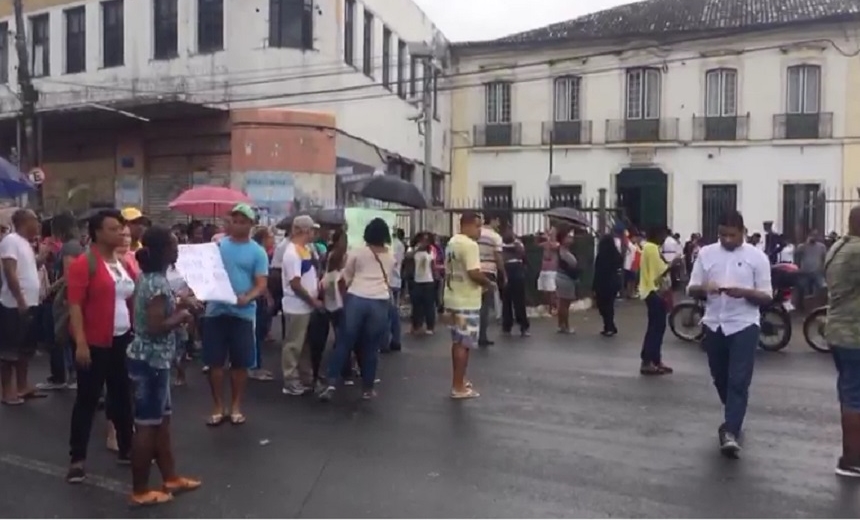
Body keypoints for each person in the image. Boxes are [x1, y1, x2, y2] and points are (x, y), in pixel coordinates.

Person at [127, 226, 201, 506]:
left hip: (156, 360)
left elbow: (154, 311)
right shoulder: (156, 282)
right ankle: (140, 490)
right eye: (172, 244)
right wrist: (182, 315)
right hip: (151, 361)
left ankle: (170, 477)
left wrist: (180, 303)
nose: (177, 248)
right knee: (147, 425)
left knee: (162, 422)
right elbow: (157, 325)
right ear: (161, 250)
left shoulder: (153, 278)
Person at [688, 211, 771, 458]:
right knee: (720, 377)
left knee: (738, 380)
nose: (726, 239)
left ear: (742, 232)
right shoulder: (706, 254)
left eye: (731, 235)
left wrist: (744, 292)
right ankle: (734, 413)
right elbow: (691, 288)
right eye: (722, 234)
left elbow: (767, 295)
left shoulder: (757, 258)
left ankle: (730, 430)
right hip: (714, 324)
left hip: (744, 325)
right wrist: (705, 288)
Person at [66, 208, 136, 483]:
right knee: (87, 399)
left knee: (121, 397)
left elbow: (131, 296)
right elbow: (75, 305)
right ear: (97, 233)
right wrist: (81, 342)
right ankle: (77, 459)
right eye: (113, 228)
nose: (119, 233)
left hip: (121, 340)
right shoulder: (85, 264)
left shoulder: (122, 263)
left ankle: (126, 448)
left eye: (120, 228)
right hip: (95, 342)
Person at [202, 203, 268, 426]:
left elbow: (261, 284)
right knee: (215, 363)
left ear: (251, 224)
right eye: (235, 220)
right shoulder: (218, 246)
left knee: (240, 364)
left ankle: (236, 405)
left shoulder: (257, 252)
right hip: (215, 311)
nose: (238, 225)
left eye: (243, 221)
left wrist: (247, 297)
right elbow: (205, 273)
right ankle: (217, 406)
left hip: (242, 314)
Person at [319, 218, 394, 401]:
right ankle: (367, 387)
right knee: (370, 346)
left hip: (357, 298)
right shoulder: (390, 257)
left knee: (345, 342)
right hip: (379, 301)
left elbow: (346, 277)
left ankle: (331, 383)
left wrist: (346, 297)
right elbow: (389, 280)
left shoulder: (357, 252)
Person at [824, 206, 860, 476]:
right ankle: (852, 459)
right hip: (853, 334)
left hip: (839, 330)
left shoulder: (840, 246)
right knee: (854, 397)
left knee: (851, 394)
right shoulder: (857, 252)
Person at [0, 209, 46, 405]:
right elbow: (10, 271)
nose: (38, 225)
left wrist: (42, 257)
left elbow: (27, 269)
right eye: (36, 220)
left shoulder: (26, 243)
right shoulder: (10, 240)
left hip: (32, 302)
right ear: (26, 221)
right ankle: (7, 391)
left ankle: (22, 385)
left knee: (26, 349)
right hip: (14, 304)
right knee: (9, 351)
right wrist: (19, 299)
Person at [445, 212, 492, 399]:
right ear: (467, 225)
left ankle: (460, 379)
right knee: (464, 344)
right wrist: (488, 283)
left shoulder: (452, 243)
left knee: (457, 341)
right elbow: (474, 272)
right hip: (466, 301)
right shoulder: (470, 245)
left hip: (453, 297)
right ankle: (458, 386)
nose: (480, 230)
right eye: (478, 226)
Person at [38, 212, 82, 391]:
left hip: (65, 297)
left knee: (61, 336)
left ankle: (64, 376)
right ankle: (71, 375)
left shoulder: (69, 247)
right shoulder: (74, 245)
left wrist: (51, 288)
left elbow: (69, 275)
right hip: (68, 296)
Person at [280, 216, 320, 396]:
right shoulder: (292, 253)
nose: (314, 233)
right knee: (294, 345)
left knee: (303, 344)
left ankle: (304, 377)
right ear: (303, 230)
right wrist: (312, 300)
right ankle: (290, 380)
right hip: (297, 306)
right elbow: (295, 284)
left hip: (304, 306)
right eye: (312, 230)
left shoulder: (304, 250)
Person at [638, 226, 679, 376]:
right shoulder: (652, 248)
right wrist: (672, 264)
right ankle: (648, 361)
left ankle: (655, 359)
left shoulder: (650, 247)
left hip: (651, 291)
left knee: (658, 327)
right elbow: (660, 270)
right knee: (656, 328)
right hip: (653, 290)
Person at [476, 216, 504, 347]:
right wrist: (503, 273)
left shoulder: (476, 233)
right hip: (489, 272)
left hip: (474, 270)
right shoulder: (495, 237)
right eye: (498, 221)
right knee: (484, 306)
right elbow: (498, 257)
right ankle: (482, 336)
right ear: (494, 219)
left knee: (473, 304)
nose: (499, 224)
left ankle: (469, 333)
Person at [593, 232, 623, 336]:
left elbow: (597, 272)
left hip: (603, 284)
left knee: (603, 306)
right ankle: (610, 326)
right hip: (613, 283)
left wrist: (594, 286)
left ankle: (608, 326)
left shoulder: (601, 256)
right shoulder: (616, 255)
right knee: (609, 305)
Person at [500, 227, 529, 336]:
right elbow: (523, 255)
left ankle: (507, 325)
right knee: (519, 301)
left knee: (506, 300)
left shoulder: (500, 245)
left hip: (505, 270)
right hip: (517, 270)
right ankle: (523, 325)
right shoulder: (518, 245)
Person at [410, 232, 437, 335]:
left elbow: (433, 265)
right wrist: (417, 249)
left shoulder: (431, 251)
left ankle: (430, 326)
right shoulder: (413, 250)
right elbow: (407, 256)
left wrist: (435, 277)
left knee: (429, 305)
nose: (424, 242)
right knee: (416, 305)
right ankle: (416, 325)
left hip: (428, 281)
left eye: (427, 240)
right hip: (417, 281)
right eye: (422, 240)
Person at [555, 229, 579, 334]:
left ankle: (561, 324)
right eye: (568, 237)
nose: (571, 238)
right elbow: (571, 265)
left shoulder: (564, 251)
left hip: (562, 278)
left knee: (562, 303)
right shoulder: (563, 252)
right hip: (565, 279)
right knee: (565, 304)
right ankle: (566, 326)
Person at [386, 227, 406, 352]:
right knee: (393, 311)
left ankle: (387, 340)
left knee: (388, 312)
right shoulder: (400, 245)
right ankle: (395, 339)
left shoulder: (390, 245)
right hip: (396, 280)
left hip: (388, 280)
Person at [536, 230, 558, 316]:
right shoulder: (545, 244)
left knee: (552, 291)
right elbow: (537, 245)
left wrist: (548, 238)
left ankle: (554, 308)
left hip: (552, 270)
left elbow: (554, 247)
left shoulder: (556, 244)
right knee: (545, 291)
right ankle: (548, 307)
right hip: (543, 269)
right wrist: (540, 236)